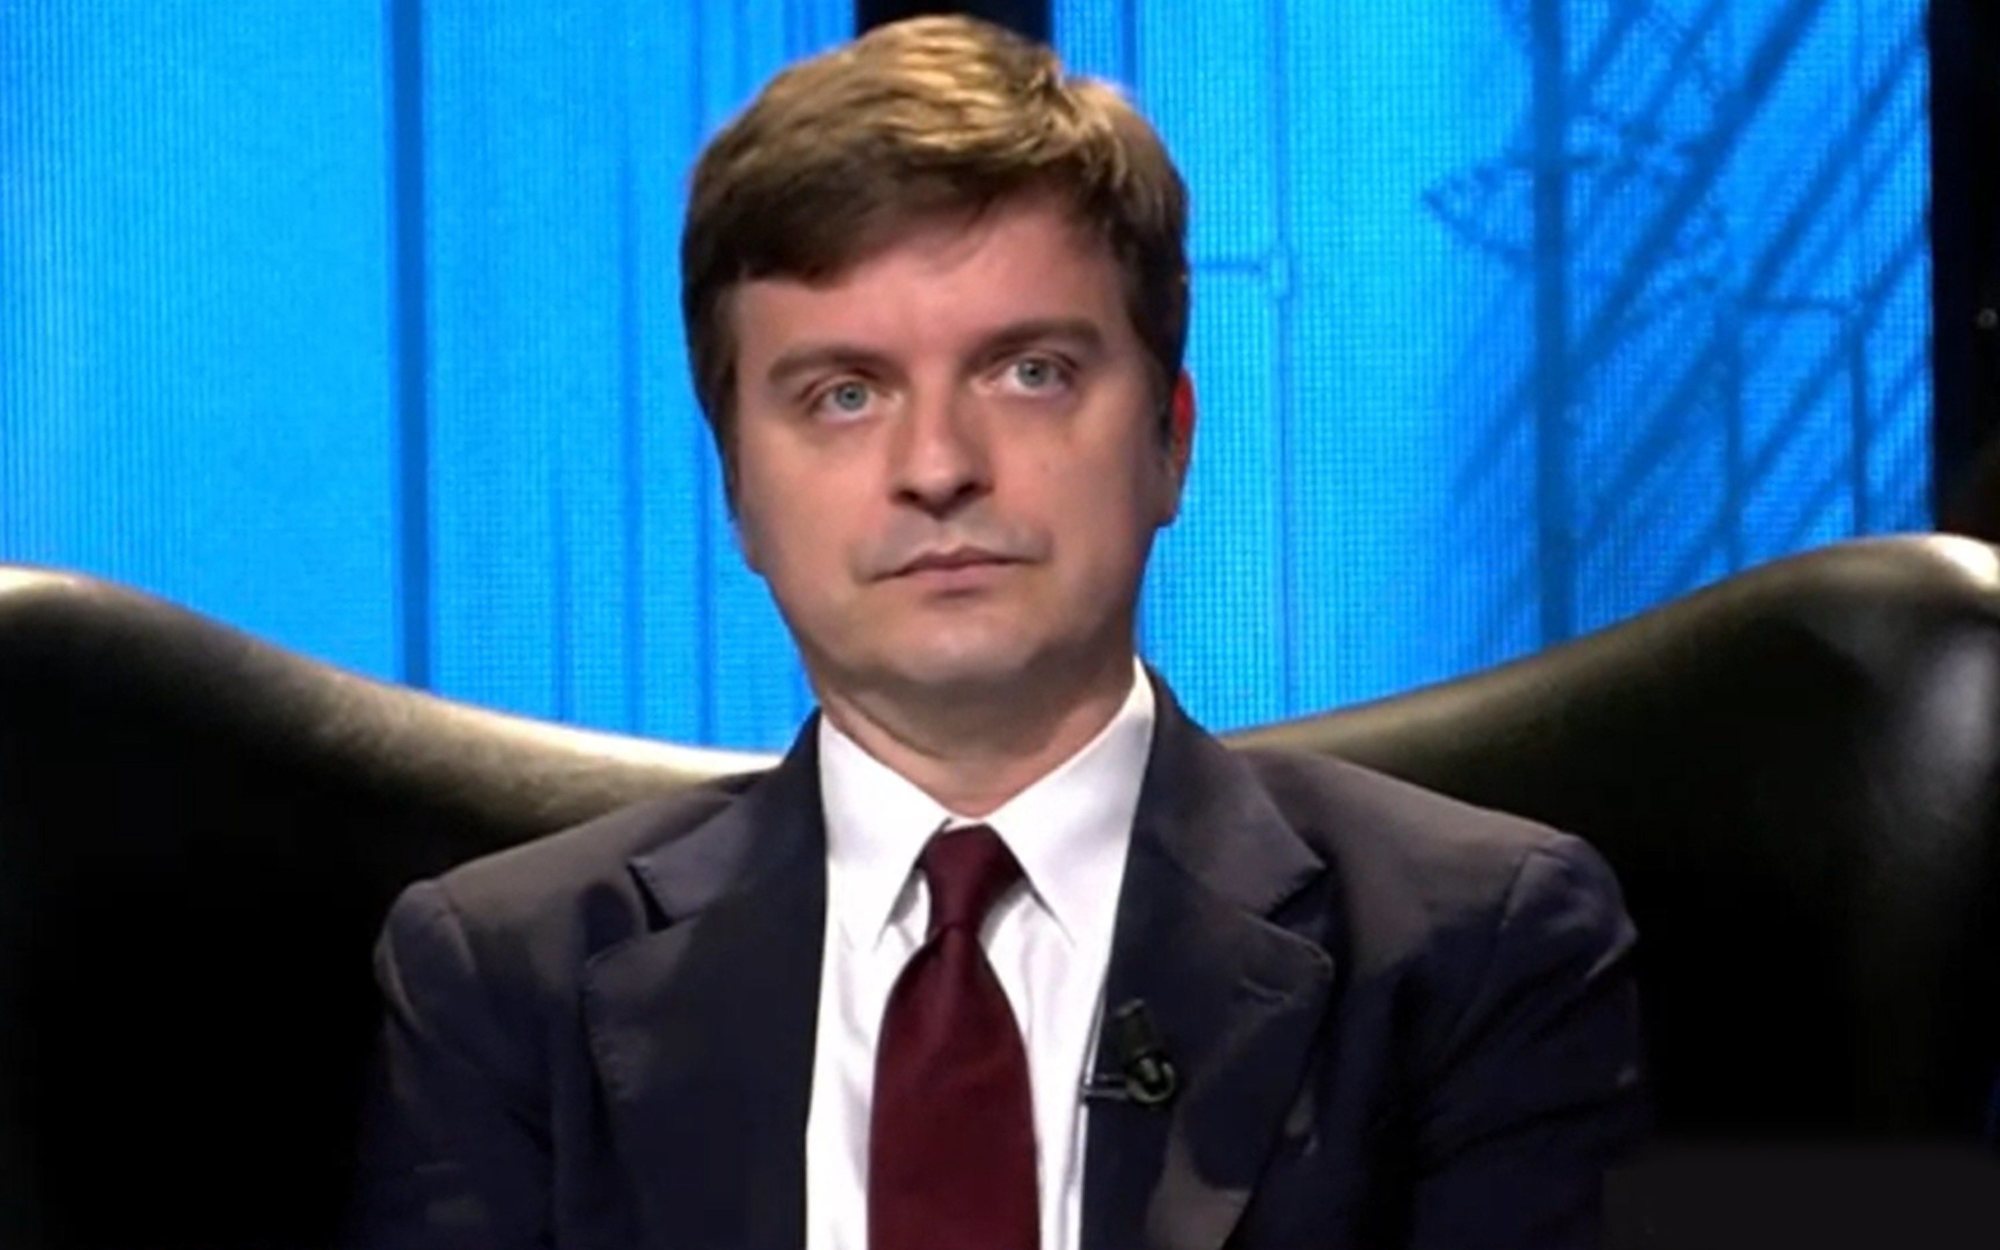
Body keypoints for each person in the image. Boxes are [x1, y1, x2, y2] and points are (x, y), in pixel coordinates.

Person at [346, 15, 1646, 1249]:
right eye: (844, 394)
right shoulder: (504, 986)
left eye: (1030, 372)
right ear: (737, 487)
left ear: (1170, 439)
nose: (938, 466)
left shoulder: (1473, 954)